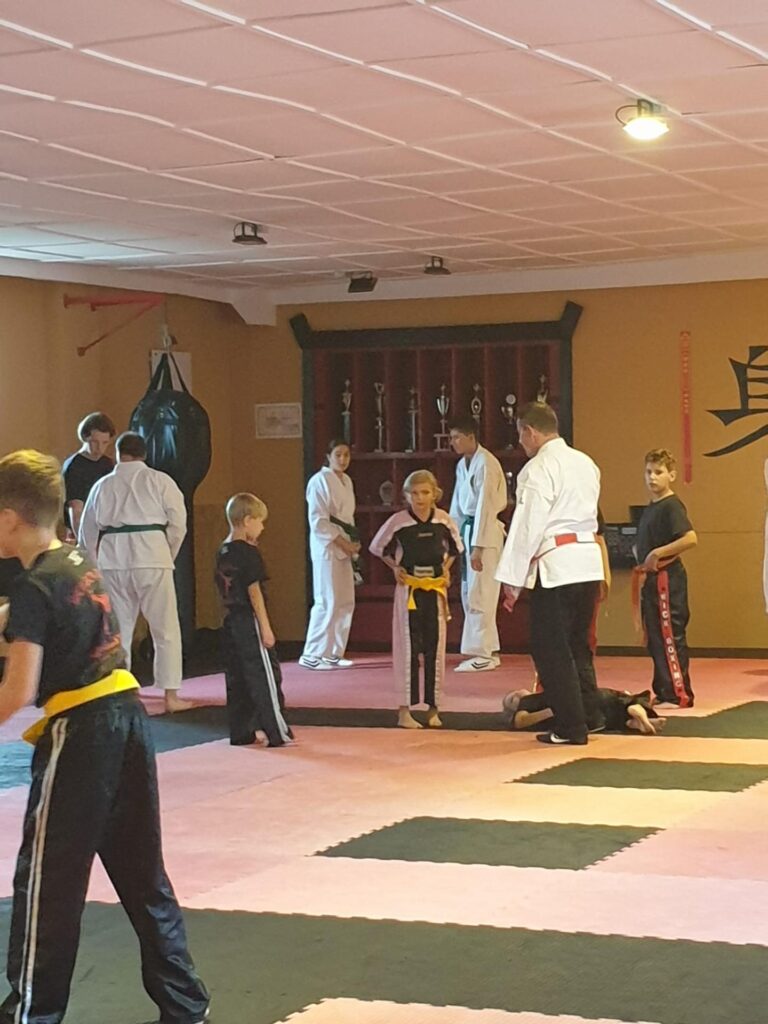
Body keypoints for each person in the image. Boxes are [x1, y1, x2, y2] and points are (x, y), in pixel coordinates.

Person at [0, 449, 209, 1024]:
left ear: (10, 519)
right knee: (143, 876)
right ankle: (186, 1007)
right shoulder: (75, 559)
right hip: (129, 721)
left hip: (82, 735)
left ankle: (32, 1013)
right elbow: (58, 615)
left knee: (48, 883)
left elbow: (19, 689)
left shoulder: (33, 586)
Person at [495, 402, 605, 746]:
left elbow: (527, 526)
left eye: (520, 435)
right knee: (578, 646)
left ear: (529, 431)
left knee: (551, 650)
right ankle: (590, 716)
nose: (520, 442)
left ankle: (571, 727)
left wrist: (512, 580)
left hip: (557, 567)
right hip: (588, 562)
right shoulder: (586, 462)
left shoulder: (538, 468)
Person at [78, 431, 192, 713]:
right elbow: (179, 524)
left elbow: (87, 531)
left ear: (118, 454)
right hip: (153, 555)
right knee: (165, 628)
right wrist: (166, 553)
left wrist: (94, 564)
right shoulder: (160, 481)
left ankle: (122, 694)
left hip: (113, 559)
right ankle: (170, 696)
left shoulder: (102, 485)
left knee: (119, 630)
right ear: (144, 453)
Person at [370, 470, 462, 729]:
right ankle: (404, 711)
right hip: (409, 589)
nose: (420, 498)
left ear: (435, 494)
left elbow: (455, 549)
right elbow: (377, 547)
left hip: (435, 589)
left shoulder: (443, 520)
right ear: (406, 495)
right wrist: (394, 567)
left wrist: (446, 570)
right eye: (414, 493)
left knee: (435, 647)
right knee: (407, 648)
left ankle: (434, 708)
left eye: (425, 493)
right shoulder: (398, 521)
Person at [214, 493, 293, 748]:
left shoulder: (223, 550)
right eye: (260, 522)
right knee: (264, 675)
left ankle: (241, 731)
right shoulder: (248, 553)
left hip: (230, 621)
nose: (262, 528)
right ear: (247, 520)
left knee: (237, 677)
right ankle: (276, 730)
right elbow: (254, 591)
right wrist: (266, 628)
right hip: (250, 620)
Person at [634, 448, 697, 707]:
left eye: (658, 472)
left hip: (667, 578)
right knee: (656, 636)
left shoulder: (671, 505)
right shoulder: (652, 507)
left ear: (671, 475)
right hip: (652, 578)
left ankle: (680, 693)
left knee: (670, 633)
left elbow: (690, 538)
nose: (652, 477)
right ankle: (664, 689)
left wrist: (658, 552)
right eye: (648, 472)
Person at [448, 416, 508, 672]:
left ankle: (485, 653)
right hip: (468, 531)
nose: (452, 442)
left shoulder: (487, 463)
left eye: (456, 437)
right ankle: (483, 650)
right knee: (469, 593)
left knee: (482, 594)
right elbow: (456, 507)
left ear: (471, 437)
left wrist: (477, 547)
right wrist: (451, 537)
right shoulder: (462, 465)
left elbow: (485, 506)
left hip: (485, 536)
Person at [299, 439, 360, 670]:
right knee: (327, 600)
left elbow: (348, 518)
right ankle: (312, 653)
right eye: (338, 455)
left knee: (345, 600)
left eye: (346, 455)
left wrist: (352, 543)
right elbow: (318, 521)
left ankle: (334, 652)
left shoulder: (347, 481)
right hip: (328, 547)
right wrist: (343, 543)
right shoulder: (319, 481)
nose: (343, 459)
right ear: (328, 456)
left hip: (345, 543)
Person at [502, 687, 666, 735]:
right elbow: (519, 721)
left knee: (611, 717)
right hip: (587, 701)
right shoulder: (528, 701)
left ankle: (635, 721)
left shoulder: (542, 697)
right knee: (620, 703)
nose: (517, 692)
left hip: (588, 716)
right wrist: (552, 710)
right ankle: (637, 716)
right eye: (511, 698)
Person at [61, 411, 116, 538]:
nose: (100, 448)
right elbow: (76, 511)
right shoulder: (74, 466)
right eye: (95, 442)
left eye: (105, 443)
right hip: (81, 530)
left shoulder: (108, 464)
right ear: (85, 438)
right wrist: (83, 541)